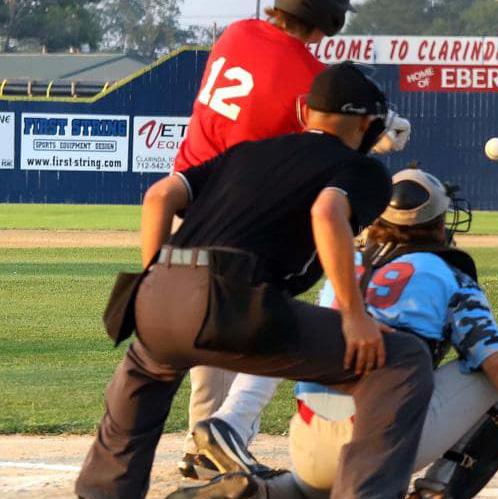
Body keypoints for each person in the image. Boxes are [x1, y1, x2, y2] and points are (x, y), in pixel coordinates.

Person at [75, 63, 434, 499]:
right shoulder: (362, 169)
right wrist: (354, 317)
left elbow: (160, 195)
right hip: (234, 300)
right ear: (367, 123)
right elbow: (326, 212)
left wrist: (157, 275)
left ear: (305, 111)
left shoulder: (247, 152)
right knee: (401, 360)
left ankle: (101, 492)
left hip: (156, 290)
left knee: (145, 373)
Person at [172, 0, 411, 477]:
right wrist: (382, 130)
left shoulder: (238, 32)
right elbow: (329, 132)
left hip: (189, 193)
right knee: (259, 326)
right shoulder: (307, 72)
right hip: (238, 218)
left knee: (202, 338)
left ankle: (209, 443)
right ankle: (214, 444)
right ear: (328, 18)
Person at [168, 168, 498, 499]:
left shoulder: (347, 264)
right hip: (380, 440)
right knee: (487, 370)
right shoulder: (450, 276)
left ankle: (264, 490)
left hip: (309, 437)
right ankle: (436, 491)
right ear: (439, 224)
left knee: (318, 477)